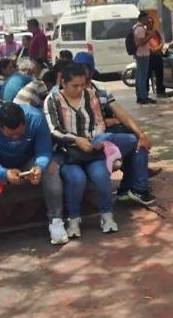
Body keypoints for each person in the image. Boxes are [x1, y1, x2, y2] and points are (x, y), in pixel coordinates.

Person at [0, 103, 69, 260]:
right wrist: (3, 173)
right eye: (10, 134)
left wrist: (39, 167)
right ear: (0, 126)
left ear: (24, 122)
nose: (16, 137)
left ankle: (56, 220)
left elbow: (44, 151)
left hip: (28, 161)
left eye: (19, 133)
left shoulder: (36, 118)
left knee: (51, 169)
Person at [44, 63, 118, 238]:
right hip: (67, 152)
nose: (79, 89)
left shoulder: (90, 95)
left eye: (82, 85)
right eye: (75, 86)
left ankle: (107, 215)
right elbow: (53, 129)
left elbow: (99, 121)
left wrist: (96, 139)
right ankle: (74, 219)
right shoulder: (53, 99)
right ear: (63, 83)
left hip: (92, 151)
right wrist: (76, 140)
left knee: (101, 175)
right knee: (77, 178)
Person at [73, 52, 156, 205]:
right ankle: (138, 187)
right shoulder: (68, 91)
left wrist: (141, 133)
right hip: (83, 140)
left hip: (103, 134)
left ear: (91, 71)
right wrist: (108, 121)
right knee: (132, 140)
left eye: (84, 68)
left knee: (138, 139)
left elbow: (121, 114)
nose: (80, 72)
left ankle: (131, 189)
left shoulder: (100, 90)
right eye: (77, 67)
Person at [133, 11, 154, 104]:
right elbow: (141, 42)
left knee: (139, 76)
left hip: (139, 54)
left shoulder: (135, 27)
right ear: (143, 19)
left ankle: (140, 96)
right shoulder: (140, 29)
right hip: (143, 54)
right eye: (147, 18)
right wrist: (150, 36)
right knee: (142, 77)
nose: (148, 20)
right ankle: (143, 97)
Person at [146, 16, 166, 98]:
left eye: (152, 22)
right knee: (147, 74)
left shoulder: (156, 32)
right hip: (149, 56)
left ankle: (160, 91)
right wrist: (152, 49)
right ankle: (146, 91)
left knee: (159, 74)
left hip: (158, 55)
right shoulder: (145, 32)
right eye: (149, 22)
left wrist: (158, 48)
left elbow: (161, 42)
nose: (150, 24)